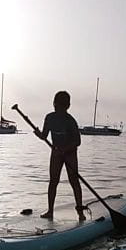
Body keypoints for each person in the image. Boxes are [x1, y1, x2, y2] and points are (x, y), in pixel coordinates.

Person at [35, 90, 85, 221]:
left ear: (68, 106)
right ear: (53, 104)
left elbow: (77, 141)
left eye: (62, 107)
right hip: (56, 153)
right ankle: (50, 211)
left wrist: (64, 150)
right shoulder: (49, 118)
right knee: (53, 181)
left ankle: (80, 212)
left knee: (74, 181)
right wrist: (38, 134)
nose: (58, 109)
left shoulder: (70, 121)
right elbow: (44, 136)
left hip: (70, 154)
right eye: (57, 106)